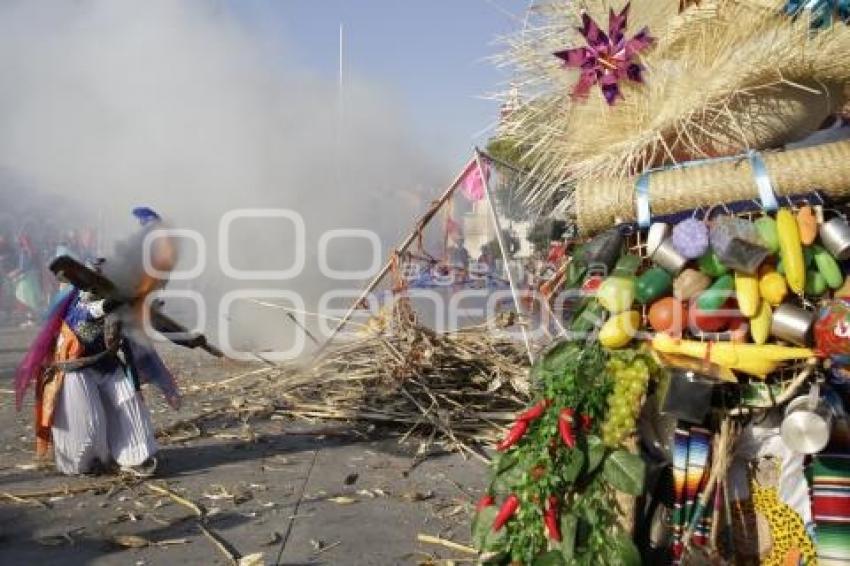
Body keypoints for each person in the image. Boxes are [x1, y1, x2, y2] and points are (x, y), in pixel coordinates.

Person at [15, 208, 180, 477]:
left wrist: (136, 384)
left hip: (106, 364)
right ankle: (82, 461)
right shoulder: (82, 301)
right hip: (75, 368)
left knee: (129, 403)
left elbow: (138, 336)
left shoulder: (124, 300)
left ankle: (135, 457)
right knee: (88, 420)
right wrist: (118, 300)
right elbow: (91, 313)